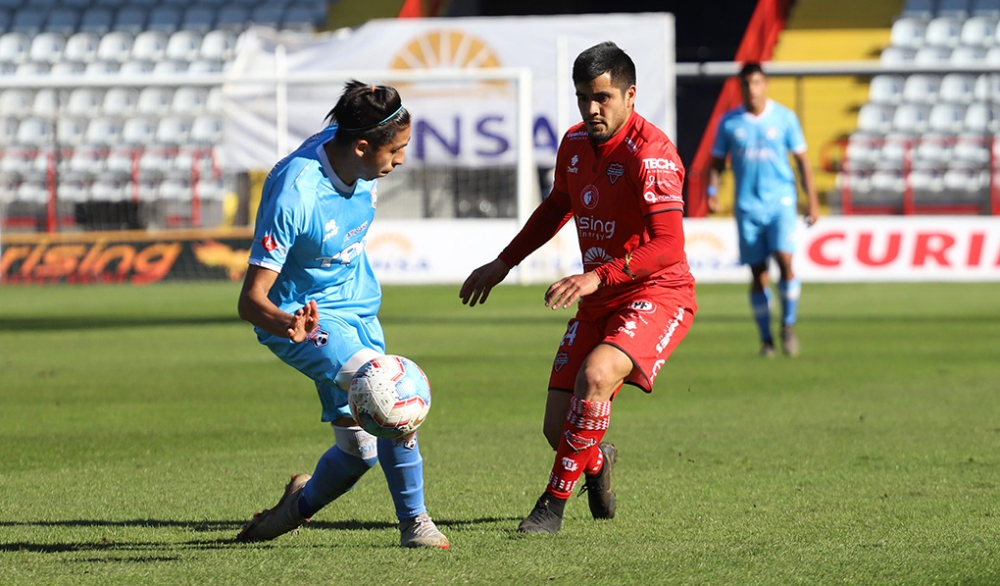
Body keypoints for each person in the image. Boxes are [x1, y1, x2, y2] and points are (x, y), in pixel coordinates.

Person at [459, 42, 697, 534]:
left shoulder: (651, 155)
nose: (592, 108)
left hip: (656, 292)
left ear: (630, 95)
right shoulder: (572, 144)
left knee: (596, 376)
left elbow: (669, 245)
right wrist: (504, 262)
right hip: (599, 301)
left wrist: (598, 275)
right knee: (558, 427)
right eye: (583, 97)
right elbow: (555, 208)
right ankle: (595, 462)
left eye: (603, 97)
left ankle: (550, 507)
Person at [235, 80, 449, 549]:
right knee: (390, 391)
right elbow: (250, 300)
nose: (400, 160)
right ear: (361, 146)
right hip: (303, 318)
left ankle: (287, 512)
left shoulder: (356, 158)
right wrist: (288, 325)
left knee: (358, 452)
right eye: (396, 151)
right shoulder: (296, 193)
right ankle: (416, 524)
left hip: (358, 311)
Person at [707, 62, 819, 358]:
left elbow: (803, 161)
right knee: (758, 275)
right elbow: (717, 161)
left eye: (756, 83)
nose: (751, 89)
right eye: (746, 84)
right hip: (747, 205)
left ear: (765, 84)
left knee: (785, 260)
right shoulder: (729, 122)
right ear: (741, 87)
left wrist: (813, 199)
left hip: (781, 201)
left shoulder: (784, 118)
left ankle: (788, 325)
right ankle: (766, 339)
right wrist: (711, 190)